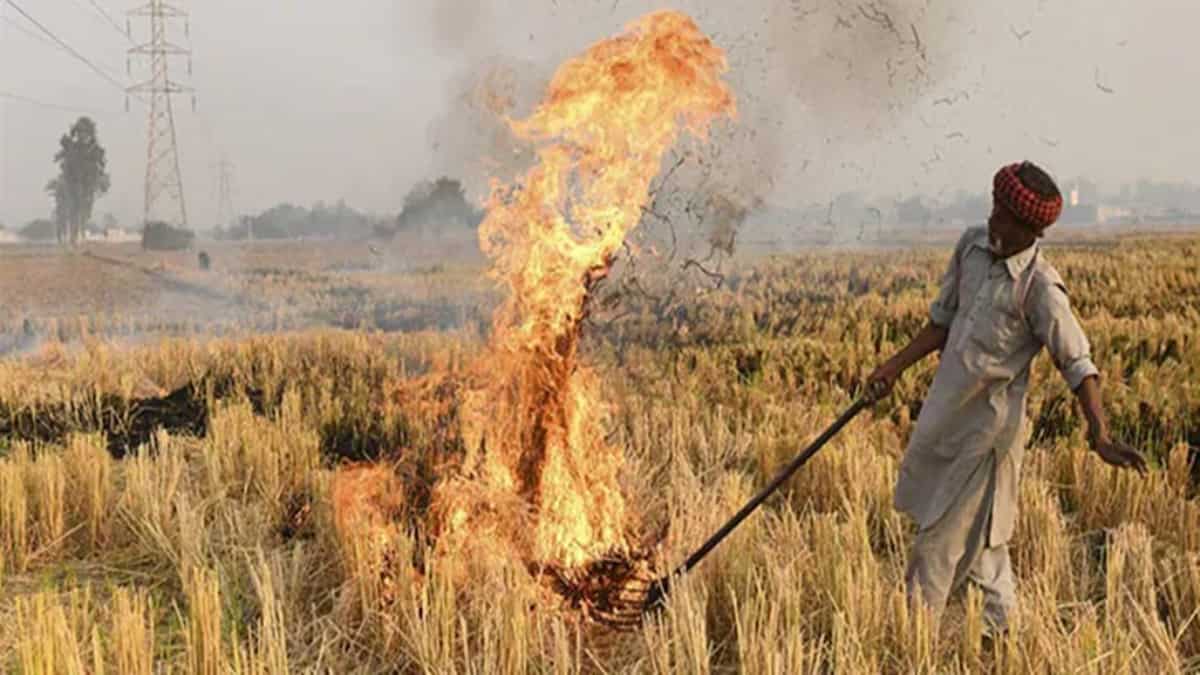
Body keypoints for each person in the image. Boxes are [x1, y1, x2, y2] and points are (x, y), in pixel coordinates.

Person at [865, 161, 1146, 634]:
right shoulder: (972, 247)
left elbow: (1078, 363)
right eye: (994, 208)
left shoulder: (1040, 289)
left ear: (1031, 231)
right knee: (985, 551)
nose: (993, 220)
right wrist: (892, 368)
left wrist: (1099, 433)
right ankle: (1007, 637)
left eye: (1005, 217)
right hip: (946, 417)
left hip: (986, 439)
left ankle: (911, 642)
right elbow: (941, 322)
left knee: (936, 545)